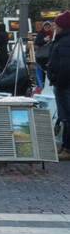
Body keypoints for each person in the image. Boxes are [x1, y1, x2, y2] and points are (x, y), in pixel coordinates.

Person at [48, 11, 70, 160]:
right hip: (63, 84)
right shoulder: (62, 39)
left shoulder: (65, 41)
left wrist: (58, 81)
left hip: (64, 85)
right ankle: (65, 146)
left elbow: (66, 65)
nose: (54, 26)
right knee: (66, 117)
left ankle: (67, 148)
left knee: (67, 117)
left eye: (56, 24)